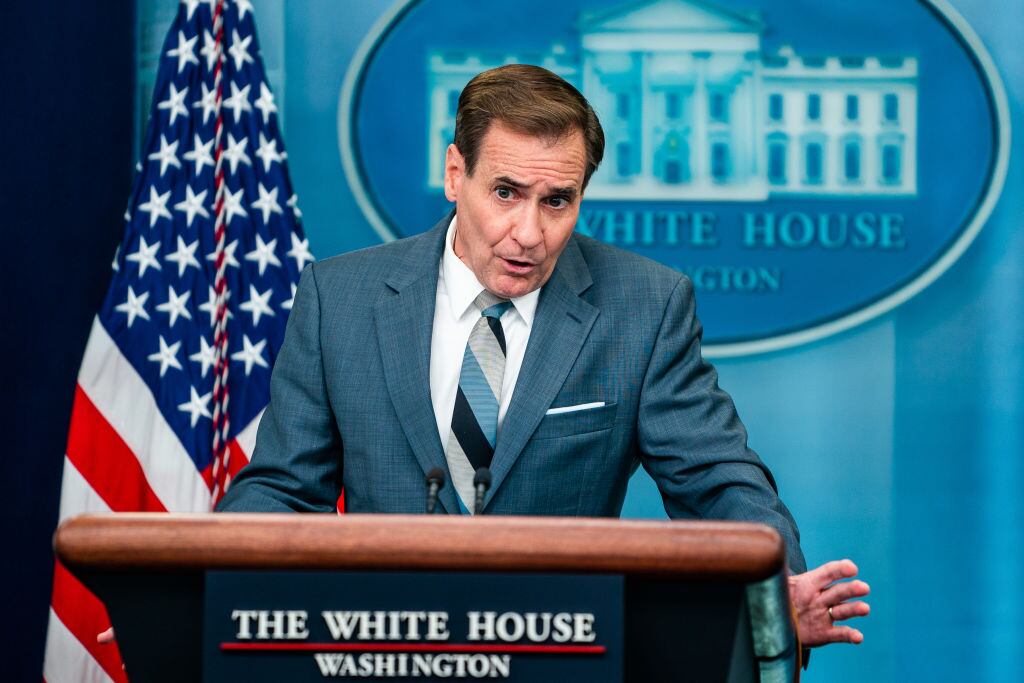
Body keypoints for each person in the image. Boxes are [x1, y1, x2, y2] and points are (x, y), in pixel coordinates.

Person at [217, 64, 869, 650]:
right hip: (378, 648)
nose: (529, 232)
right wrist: (200, 595)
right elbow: (281, 487)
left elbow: (717, 478)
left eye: (556, 201)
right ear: (454, 174)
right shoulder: (341, 297)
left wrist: (771, 586)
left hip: (560, 651)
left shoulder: (642, 306)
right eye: (506, 192)